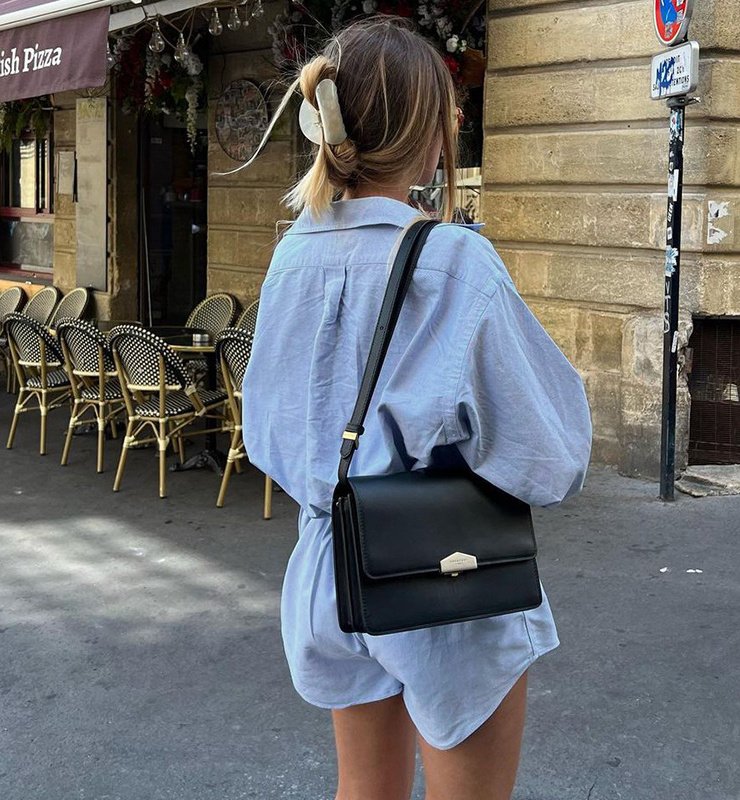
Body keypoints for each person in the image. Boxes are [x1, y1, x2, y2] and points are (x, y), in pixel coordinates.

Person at [242, 16, 592, 800]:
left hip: (334, 568)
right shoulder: (455, 261)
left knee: (366, 791)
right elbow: (550, 457)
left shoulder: (292, 255)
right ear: (432, 132)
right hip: (448, 581)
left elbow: (266, 430)